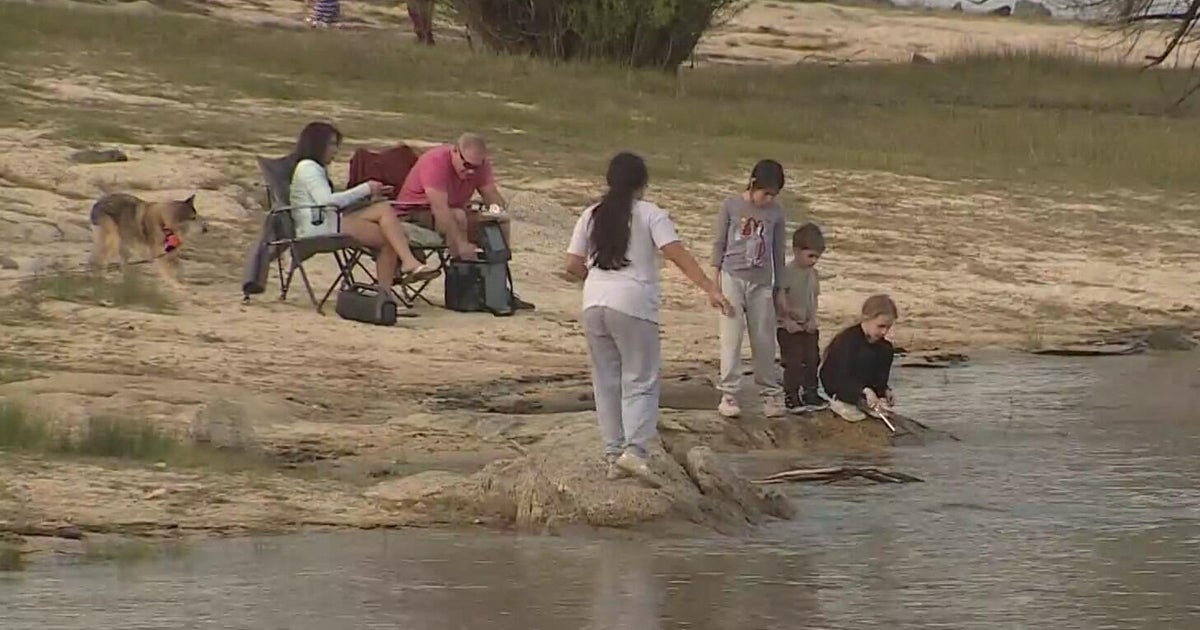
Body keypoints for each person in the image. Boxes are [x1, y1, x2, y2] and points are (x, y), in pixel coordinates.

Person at [564, 152, 732, 486]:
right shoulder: (650, 214)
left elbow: (572, 265)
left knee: (606, 381)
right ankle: (635, 451)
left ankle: (613, 454)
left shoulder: (591, 214)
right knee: (640, 379)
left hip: (594, 303)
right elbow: (676, 254)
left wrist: (594, 280)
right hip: (634, 304)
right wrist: (710, 288)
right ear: (642, 184)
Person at [289, 121, 433, 308]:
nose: (335, 150)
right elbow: (327, 201)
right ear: (317, 144)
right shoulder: (308, 168)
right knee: (387, 236)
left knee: (383, 212)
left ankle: (402, 271)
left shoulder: (315, 168)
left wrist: (371, 194)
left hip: (329, 221)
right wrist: (365, 188)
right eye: (332, 144)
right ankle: (392, 285)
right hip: (319, 228)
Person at [395, 132, 534, 310]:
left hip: (455, 210)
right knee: (458, 216)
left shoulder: (479, 164)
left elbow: (491, 195)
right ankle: (465, 287)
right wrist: (460, 243)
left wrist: (498, 213)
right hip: (415, 212)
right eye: (467, 165)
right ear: (455, 151)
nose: (471, 171)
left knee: (497, 223)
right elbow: (440, 208)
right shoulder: (436, 162)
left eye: (476, 167)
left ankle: (498, 288)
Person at [711, 159, 789, 420]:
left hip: (762, 283)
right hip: (732, 278)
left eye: (773, 195)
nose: (767, 199)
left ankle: (769, 393)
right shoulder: (731, 205)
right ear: (753, 184)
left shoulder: (777, 213)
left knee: (764, 339)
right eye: (765, 193)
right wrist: (714, 284)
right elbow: (719, 244)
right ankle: (729, 393)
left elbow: (778, 252)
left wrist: (780, 288)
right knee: (731, 339)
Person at [819, 294, 899, 421]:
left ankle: (872, 403)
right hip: (839, 386)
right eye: (880, 326)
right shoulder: (847, 341)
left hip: (865, 390)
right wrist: (863, 390)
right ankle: (848, 402)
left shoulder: (885, 347)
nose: (884, 332)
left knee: (885, 349)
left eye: (888, 327)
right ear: (866, 319)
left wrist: (885, 391)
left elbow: (880, 376)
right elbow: (839, 376)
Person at [777, 222, 829, 414]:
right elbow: (780, 296)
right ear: (797, 250)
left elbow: (813, 298)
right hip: (789, 326)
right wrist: (786, 319)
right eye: (810, 256)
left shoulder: (813, 274)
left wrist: (812, 319)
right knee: (794, 362)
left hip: (807, 325)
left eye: (817, 257)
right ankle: (791, 395)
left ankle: (811, 393)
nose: (814, 261)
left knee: (812, 359)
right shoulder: (787, 272)